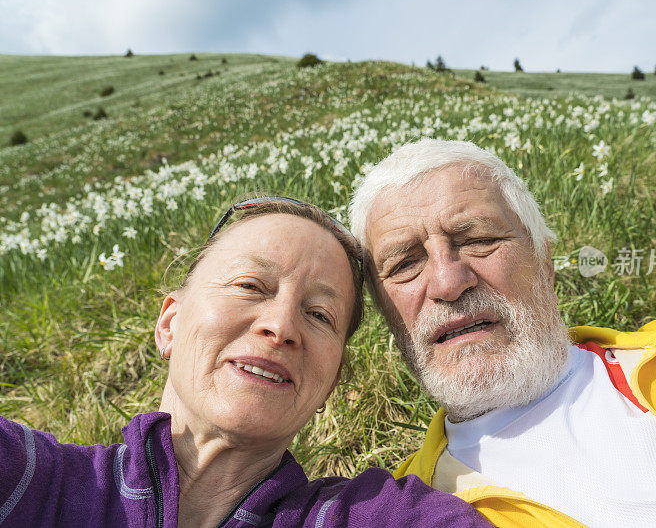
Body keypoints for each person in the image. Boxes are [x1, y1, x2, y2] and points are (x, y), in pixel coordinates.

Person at [349, 139, 656, 527]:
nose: (448, 283)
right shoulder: (404, 509)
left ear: (544, 262)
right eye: (405, 263)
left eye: (477, 239)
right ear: (383, 310)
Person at [0, 196, 492, 527]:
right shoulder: (36, 481)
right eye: (249, 286)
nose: (281, 327)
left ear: (332, 382)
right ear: (169, 324)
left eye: (320, 314)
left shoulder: (368, 515)